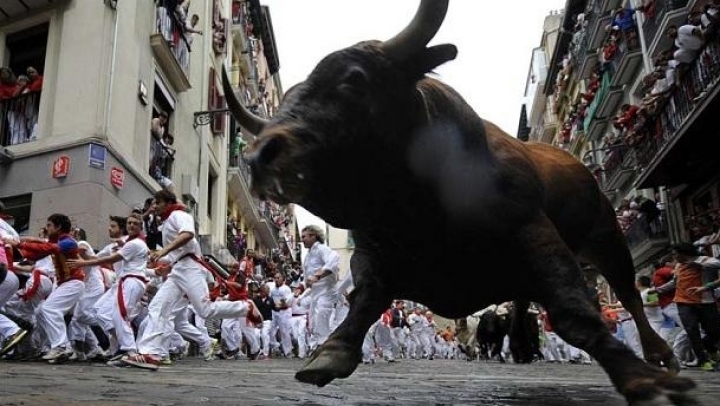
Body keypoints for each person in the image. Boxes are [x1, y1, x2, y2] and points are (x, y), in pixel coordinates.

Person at [120, 190, 261, 370]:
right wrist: (158, 258)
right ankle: (151, 353)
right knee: (157, 307)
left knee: (205, 311)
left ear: (168, 202)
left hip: (191, 268)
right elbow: (174, 255)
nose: (154, 206)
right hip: (178, 270)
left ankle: (246, 306)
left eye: (157, 202)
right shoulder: (166, 223)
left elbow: (187, 235)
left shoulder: (179, 215)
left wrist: (162, 252)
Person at [67, 214, 151, 362]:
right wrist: (84, 257)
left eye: (135, 224)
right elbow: (97, 259)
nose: (131, 225)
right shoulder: (113, 245)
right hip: (120, 283)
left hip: (130, 281)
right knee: (100, 312)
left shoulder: (133, 243)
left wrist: (82, 261)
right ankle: (120, 346)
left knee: (120, 315)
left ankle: (130, 351)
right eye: (129, 223)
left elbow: (112, 259)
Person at [10, 214, 85, 363]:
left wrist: (18, 244)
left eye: (49, 225)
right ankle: (59, 346)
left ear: (58, 227)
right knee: (40, 311)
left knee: (49, 309)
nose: (46, 228)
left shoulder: (68, 241)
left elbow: (47, 247)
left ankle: (61, 346)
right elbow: (35, 254)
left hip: (74, 282)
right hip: (66, 284)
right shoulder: (56, 242)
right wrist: (15, 250)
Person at [301, 225, 340, 351]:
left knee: (321, 314)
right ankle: (318, 345)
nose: (302, 240)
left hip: (327, 290)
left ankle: (323, 346)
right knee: (313, 323)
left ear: (313, 236)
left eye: (304, 237)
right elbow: (307, 278)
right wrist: (303, 287)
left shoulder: (322, 249)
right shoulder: (307, 256)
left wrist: (317, 276)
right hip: (315, 293)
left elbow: (334, 260)